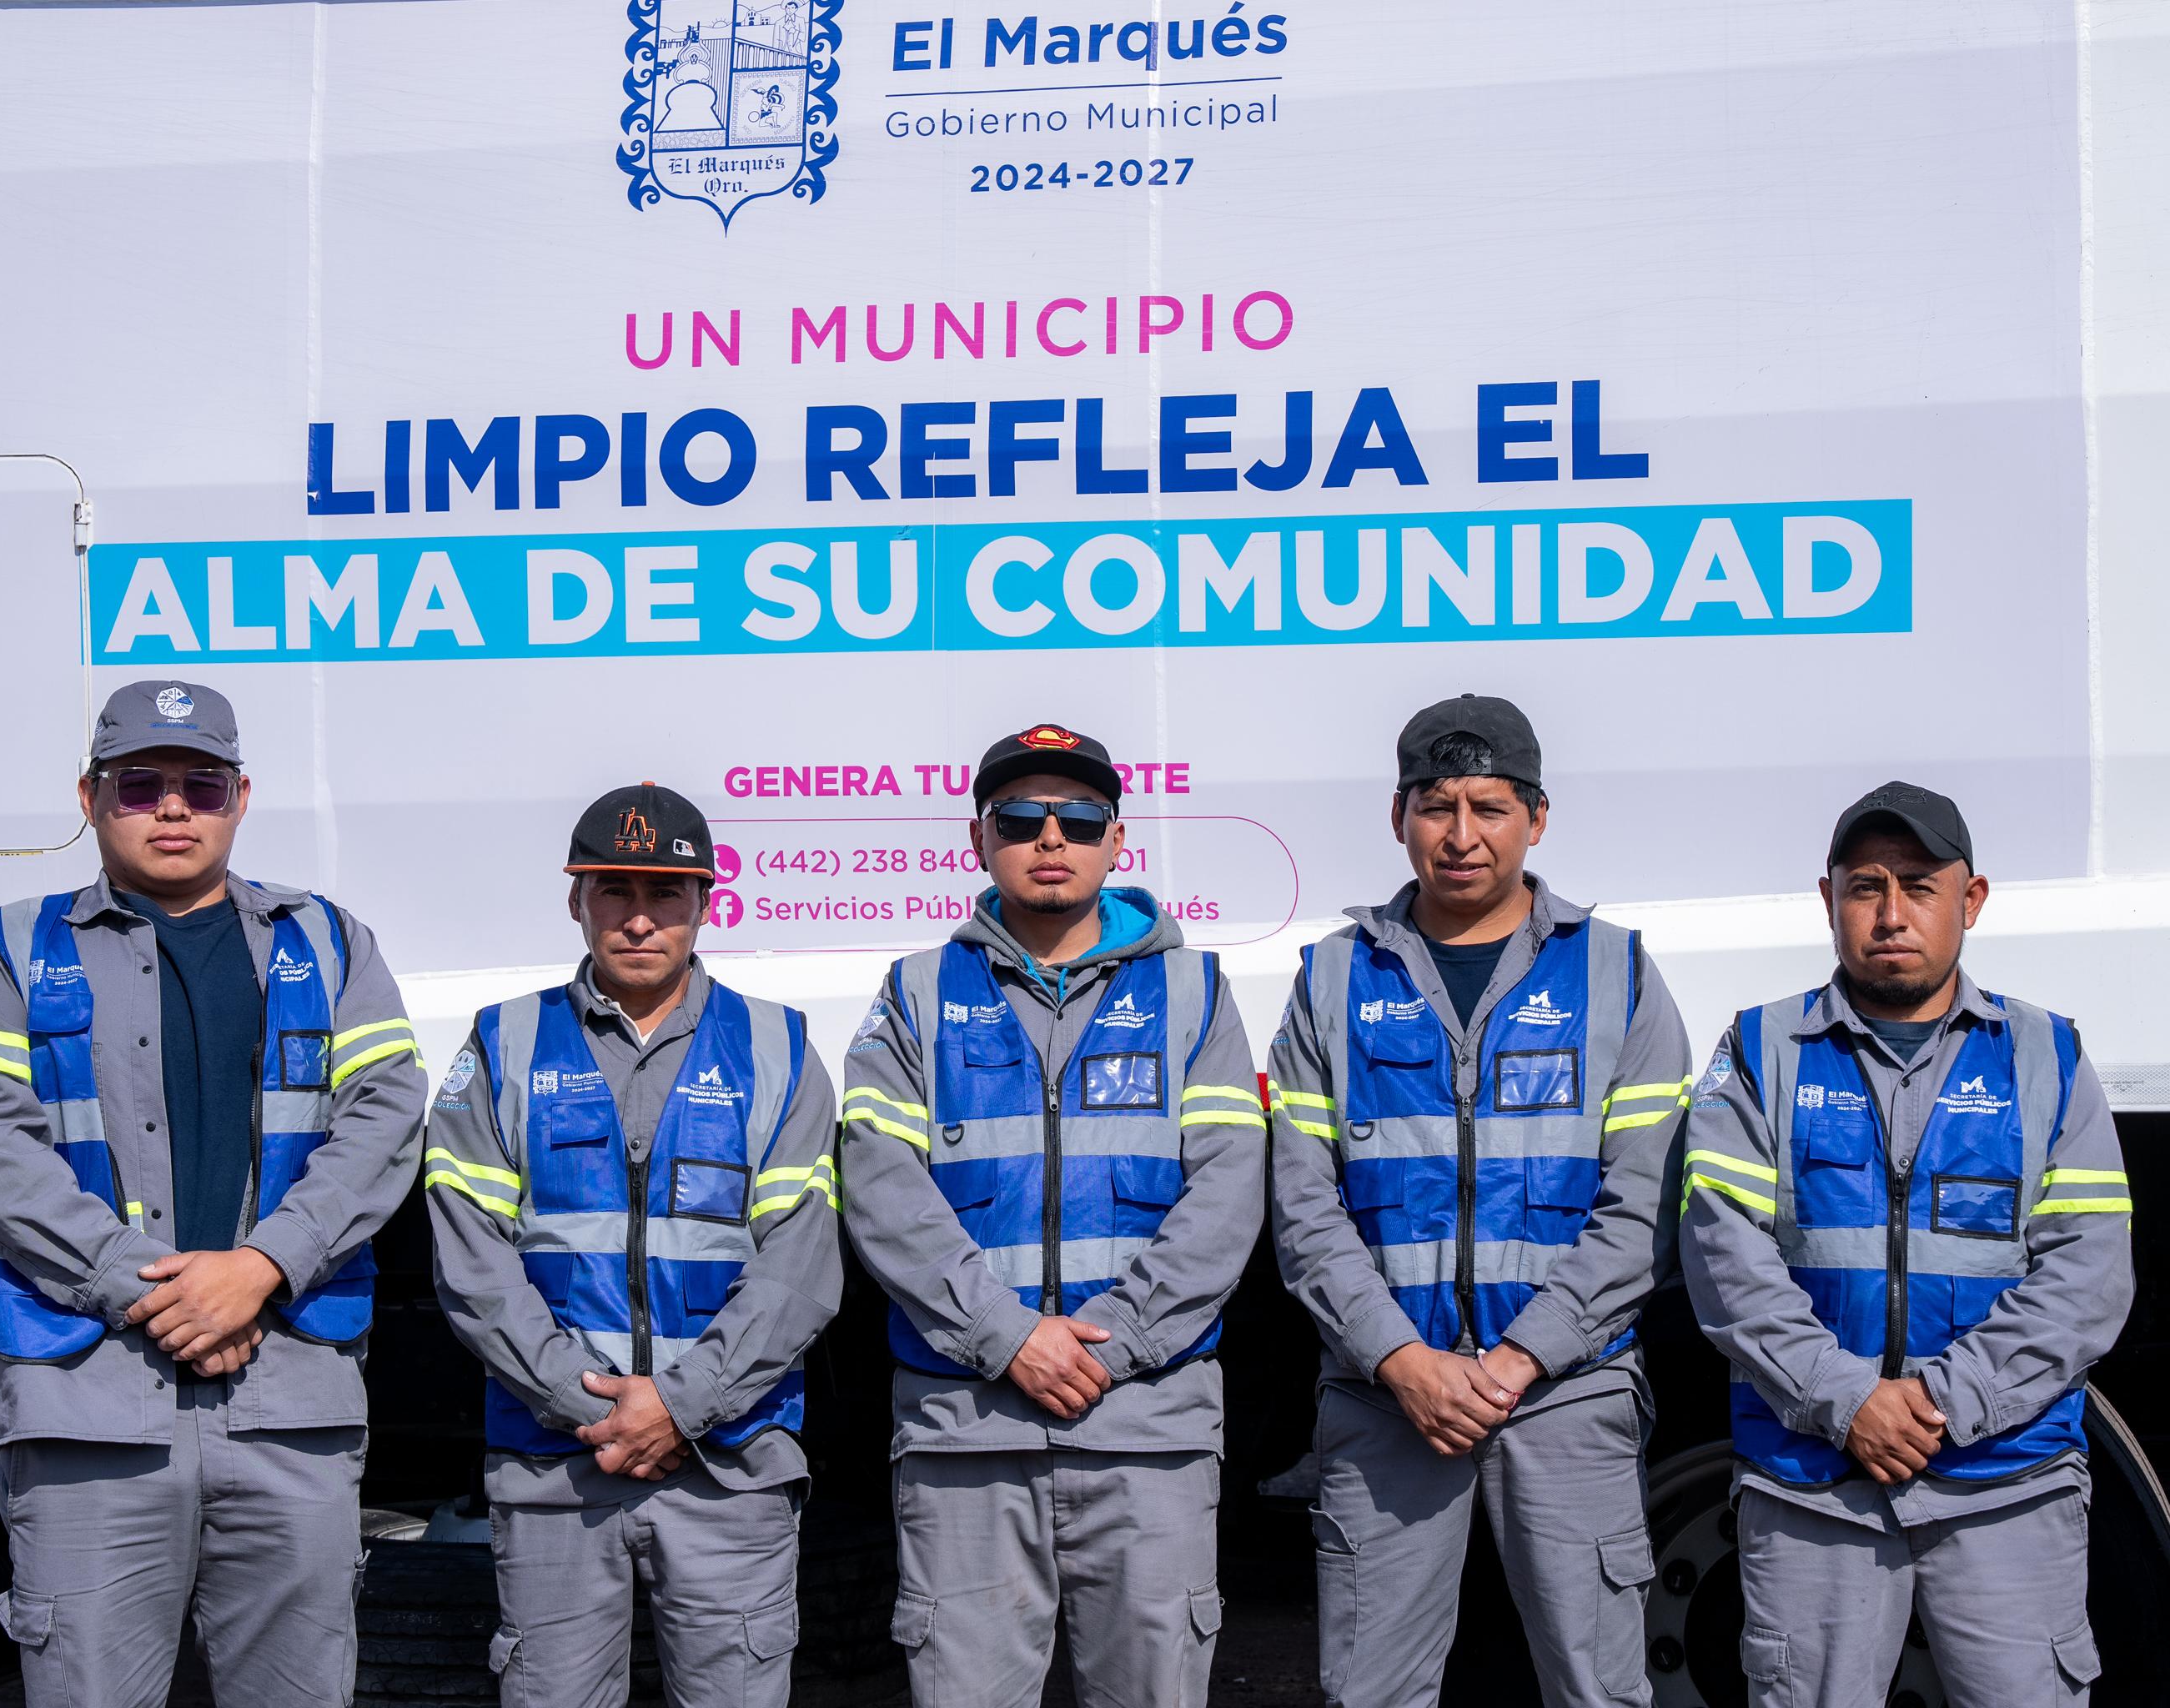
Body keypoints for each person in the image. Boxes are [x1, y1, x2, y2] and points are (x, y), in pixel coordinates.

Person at [0, 679, 426, 1706]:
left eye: (203, 783)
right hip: (89, 1408)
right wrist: (148, 1287)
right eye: (141, 783)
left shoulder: (330, 941)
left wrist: (263, 1265)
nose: (174, 806)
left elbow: (386, 1118)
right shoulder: (6, 948)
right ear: (90, 797)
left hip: (287, 1405)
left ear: (242, 796)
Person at [1266, 694, 1691, 1708]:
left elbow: (1644, 1208)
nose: (1462, 835)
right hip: (1386, 1397)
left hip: (1568, 1390)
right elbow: (1303, 1207)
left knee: (1599, 1689)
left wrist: (1521, 1356)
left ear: (1536, 817)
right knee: (1371, 1692)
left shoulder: (1618, 972)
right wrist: (1402, 1359)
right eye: (1437, 805)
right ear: (1399, 815)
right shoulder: (1332, 978)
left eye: (1490, 807)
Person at [840, 722, 1265, 1708]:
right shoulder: (916, 992)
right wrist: (1008, 1337)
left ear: (1117, 840)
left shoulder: (1194, 989)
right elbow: (880, 1184)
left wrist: (1110, 1346)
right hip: (967, 1430)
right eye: (1020, 817)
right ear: (978, 838)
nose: (1049, 837)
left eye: (1077, 818)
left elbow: (1229, 1189)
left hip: (1148, 1428)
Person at [1680, 781, 2130, 1706]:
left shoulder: (2048, 1055)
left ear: (1972, 899)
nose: (1891, 913)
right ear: (1828, 898)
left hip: (2007, 1482)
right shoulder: (1759, 1049)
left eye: (1920, 886)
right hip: (1813, 1483)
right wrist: (1846, 1400)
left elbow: (2088, 1274)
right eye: (1866, 886)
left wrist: (1942, 1402)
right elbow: (1726, 1261)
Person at [424, 781, 841, 1708]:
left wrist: (682, 1406)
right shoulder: (503, 1043)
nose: (640, 918)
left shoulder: (778, 1047)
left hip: (730, 1465)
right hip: (557, 1467)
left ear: (706, 902)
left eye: (666, 893)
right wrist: (590, 1407)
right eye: (615, 890)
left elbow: (802, 1268)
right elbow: (471, 1261)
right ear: (576, 899)